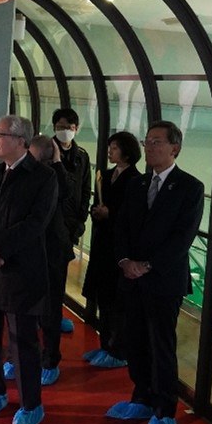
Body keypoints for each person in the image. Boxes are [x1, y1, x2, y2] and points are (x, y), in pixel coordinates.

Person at [106, 120, 203, 424]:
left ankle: (164, 407)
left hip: (163, 280)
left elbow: (182, 237)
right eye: (147, 141)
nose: (149, 147)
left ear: (175, 148)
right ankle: (142, 396)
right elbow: (121, 227)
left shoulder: (189, 187)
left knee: (160, 344)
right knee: (135, 341)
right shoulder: (137, 184)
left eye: (157, 142)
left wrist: (147, 265)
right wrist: (124, 261)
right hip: (132, 278)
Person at [0, 115, 57, 424]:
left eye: (1, 135)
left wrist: (0, 247)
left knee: (22, 341)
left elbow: (36, 223)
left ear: (21, 141)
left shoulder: (43, 177)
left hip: (21, 270)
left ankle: (30, 403)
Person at [82, 131, 142, 369]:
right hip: (102, 243)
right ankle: (105, 344)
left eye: (115, 148)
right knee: (103, 298)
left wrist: (111, 214)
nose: (110, 152)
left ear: (126, 152)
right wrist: (96, 213)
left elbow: (132, 216)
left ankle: (118, 350)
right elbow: (98, 204)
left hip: (119, 247)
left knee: (117, 302)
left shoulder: (135, 180)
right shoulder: (105, 176)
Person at [24, 133, 74, 386]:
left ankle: (50, 359)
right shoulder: (20, 174)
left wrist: (57, 161)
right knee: (25, 309)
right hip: (29, 250)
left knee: (51, 309)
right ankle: (22, 356)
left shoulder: (54, 176)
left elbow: (67, 193)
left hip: (53, 251)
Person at [51, 107, 92, 336]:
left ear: (76, 128)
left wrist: (81, 219)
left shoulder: (81, 156)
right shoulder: (47, 151)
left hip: (70, 224)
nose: (64, 131)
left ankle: (55, 315)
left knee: (60, 274)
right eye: (60, 127)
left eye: (68, 127)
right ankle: (43, 315)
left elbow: (85, 189)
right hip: (50, 222)